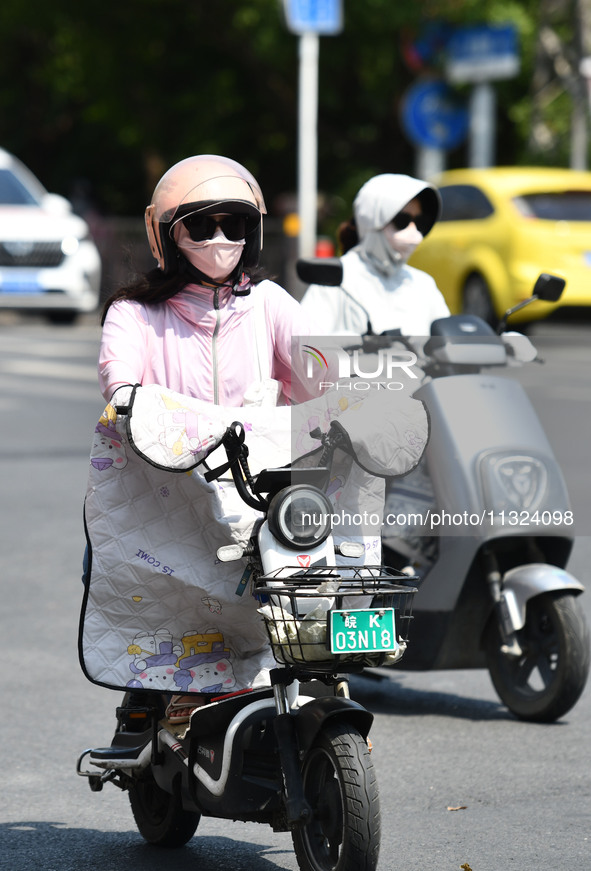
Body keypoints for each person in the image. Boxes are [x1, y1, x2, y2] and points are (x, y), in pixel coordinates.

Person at [96, 154, 321, 723]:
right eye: (201, 225)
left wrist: (371, 393)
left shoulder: (270, 303)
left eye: (235, 225)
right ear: (168, 236)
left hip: (260, 490)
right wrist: (129, 400)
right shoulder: (135, 312)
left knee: (317, 586)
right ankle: (150, 705)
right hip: (170, 492)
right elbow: (118, 381)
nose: (221, 239)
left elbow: (326, 368)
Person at [300, 173, 450, 335]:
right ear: (372, 220)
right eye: (402, 220)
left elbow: (448, 344)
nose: (413, 232)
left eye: (420, 222)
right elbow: (308, 348)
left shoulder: (423, 285)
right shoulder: (336, 279)